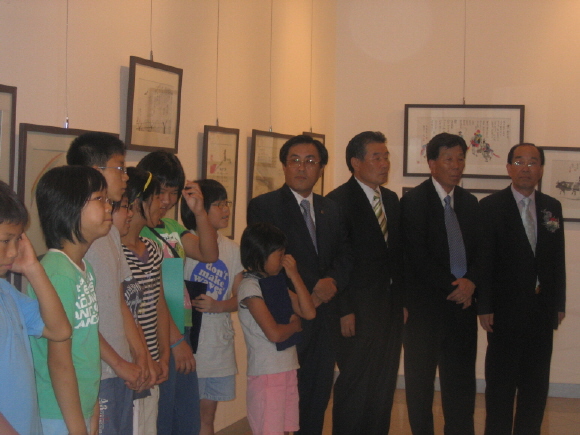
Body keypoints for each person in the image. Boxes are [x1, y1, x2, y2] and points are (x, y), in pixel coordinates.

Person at [247, 135, 351, 435]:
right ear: (284, 165)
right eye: (294, 160)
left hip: (325, 317)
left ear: (321, 168)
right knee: (283, 402)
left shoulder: (332, 209)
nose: (302, 167)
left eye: (310, 161)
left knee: (317, 397)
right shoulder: (264, 206)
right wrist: (313, 289)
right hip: (287, 313)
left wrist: (331, 282)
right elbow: (269, 259)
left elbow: (345, 253)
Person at [478, 143, 566, 435]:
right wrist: (484, 305)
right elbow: (484, 260)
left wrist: (559, 303)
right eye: (519, 162)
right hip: (503, 312)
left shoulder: (552, 207)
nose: (526, 168)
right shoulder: (490, 206)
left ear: (541, 169)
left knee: (535, 387)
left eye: (532, 162)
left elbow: (557, 259)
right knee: (500, 387)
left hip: (542, 311)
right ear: (508, 168)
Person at [67, 132, 149, 434]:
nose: (125, 176)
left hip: (120, 368)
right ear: (94, 172)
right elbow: (81, 318)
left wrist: (140, 353)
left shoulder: (109, 230)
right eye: (119, 167)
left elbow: (119, 299)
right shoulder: (80, 236)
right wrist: (119, 363)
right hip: (99, 370)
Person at [401, 132, 479, 435]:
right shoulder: (413, 202)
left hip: (463, 309)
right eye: (448, 159)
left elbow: (480, 252)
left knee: (461, 384)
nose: (456, 165)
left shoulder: (470, 202)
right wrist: (455, 286)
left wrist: (471, 282)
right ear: (432, 163)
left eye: (460, 159)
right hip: (425, 311)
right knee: (420, 385)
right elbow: (417, 257)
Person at [326, 131, 404, 434]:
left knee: (383, 386)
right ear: (356, 162)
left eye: (386, 157)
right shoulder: (338, 202)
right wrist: (343, 308)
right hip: (355, 311)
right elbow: (335, 261)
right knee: (355, 386)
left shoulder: (391, 200)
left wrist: (402, 302)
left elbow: (397, 257)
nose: (384, 163)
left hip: (390, 309)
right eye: (376, 157)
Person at [138, 151, 218, 435]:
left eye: (173, 193)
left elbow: (209, 253)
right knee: (162, 413)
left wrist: (199, 212)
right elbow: (151, 294)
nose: (167, 200)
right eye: (161, 192)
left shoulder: (172, 228)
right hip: (158, 333)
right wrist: (174, 342)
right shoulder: (135, 232)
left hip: (181, 327)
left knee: (185, 413)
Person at [30, 165, 112, 435]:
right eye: (99, 199)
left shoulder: (82, 268)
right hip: (57, 412)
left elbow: (86, 344)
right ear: (69, 208)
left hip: (79, 406)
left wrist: (92, 407)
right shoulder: (58, 274)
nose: (109, 206)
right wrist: (77, 427)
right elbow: (59, 362)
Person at [0, 180, 71, 435]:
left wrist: (33, 268)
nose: (13, 252)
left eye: (18, 240)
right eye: (5, 241)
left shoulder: (7, 292)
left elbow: (59, 330)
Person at [238, 222, 316, 435]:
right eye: (279, 254)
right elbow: (273, 333)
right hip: (266, 373)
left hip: (287, 367)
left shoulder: (276, 282)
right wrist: (294, 326)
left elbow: (309, 312)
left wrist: (295, 276)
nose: (283, 259)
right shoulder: (249, 286)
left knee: (287, 428)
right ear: (260, 254)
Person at [181, 179, 243, 435]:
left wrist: (219, 306)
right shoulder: (184, 243)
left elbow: (241, 297)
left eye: (226, 203)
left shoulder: (232, 249)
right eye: (218, 204)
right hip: (189, 346)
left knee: (207, 416)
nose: (226, 210)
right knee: (186, 416)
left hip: (218, 347)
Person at [121, 167, 170, 435]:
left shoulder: (152, 248)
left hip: (153, 363)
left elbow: (159, 303)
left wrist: (164, 354)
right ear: (137, 202)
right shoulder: (117, 252)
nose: (164, 203)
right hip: (133, 367)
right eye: (157, 197)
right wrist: (145, 359)